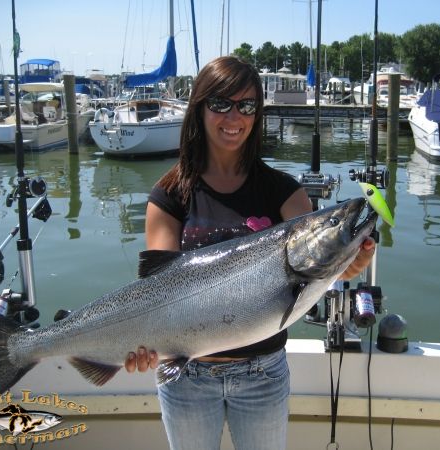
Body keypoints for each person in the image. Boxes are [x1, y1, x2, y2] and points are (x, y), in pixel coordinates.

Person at [125, 56, 375, 450]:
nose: (234, 116)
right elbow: (159, 291)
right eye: (221, 103)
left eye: (246, 105)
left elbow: (314, 267)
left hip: (263, 375)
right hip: (186, 377)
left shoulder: (284, 191)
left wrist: (351, 261)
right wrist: (143, 346)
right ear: (199, 108)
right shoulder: (169, 195)